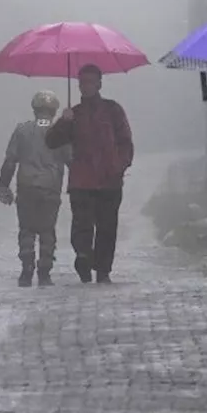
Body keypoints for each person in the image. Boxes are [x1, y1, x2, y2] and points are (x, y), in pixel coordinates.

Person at [45, 63, 134, 284]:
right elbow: (52, 141)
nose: (85, 87)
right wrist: (62, 123)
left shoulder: (113, 110)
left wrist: (119, 166)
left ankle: (103, 270)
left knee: (107, 227)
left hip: (109, 180)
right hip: (82, 181)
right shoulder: (73, 114)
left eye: (89, 82)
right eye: (82, 83)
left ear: (99, 84)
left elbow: (125, 142)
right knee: (82, 225)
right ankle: (83, 257)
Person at [0, 90, 70, 288]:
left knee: (27, 229)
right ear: (54, 110)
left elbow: (10, 161)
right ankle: (45, 272)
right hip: (51, 187)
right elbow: (72, 160)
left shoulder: (21, 130)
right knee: (47, 230)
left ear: (34, 109)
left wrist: (3, 185)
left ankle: (26, 269)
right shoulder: (62, 132)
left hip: (26, 186)